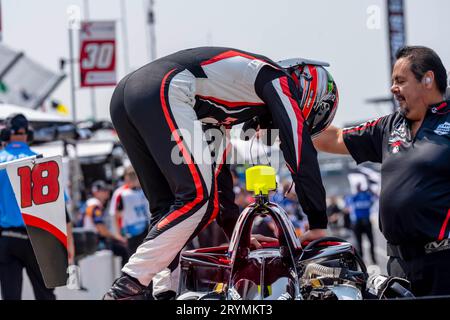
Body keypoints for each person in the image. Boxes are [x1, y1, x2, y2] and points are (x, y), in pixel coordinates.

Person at [104, 46, 339, 299]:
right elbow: (299, 148)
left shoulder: (223, 98)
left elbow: (220, 178)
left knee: (169, 207)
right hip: (163, 88)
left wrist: (238, 235)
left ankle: (164, 293)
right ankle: (126, 288)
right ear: (309, 93)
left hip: (127, 95)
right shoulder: (277, 78)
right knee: (196, 198)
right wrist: (317, 223)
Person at [313, 45, 450, 296]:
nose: (393, 88)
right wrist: (288, 124)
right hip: (398, 265)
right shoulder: (388, 126)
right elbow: (333, 139)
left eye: (400, 81)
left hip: (443, 265)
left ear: (428, 79)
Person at [0, 113, 74, 300]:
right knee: (45, 295)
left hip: (6, 238)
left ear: (6, 134)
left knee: (10, 296)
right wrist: (69, 247)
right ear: (29, 134)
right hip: (39, 239)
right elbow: (61, 210)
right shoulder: (42, 162)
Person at [80, 180, 129, 266]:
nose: (107, 192)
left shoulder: (90, 203)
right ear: (96, 192)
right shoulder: (94, 205)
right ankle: (126, 278)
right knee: (123, 250)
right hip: (93, 241)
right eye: (104, 190)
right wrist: (117, 238)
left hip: (89, 239)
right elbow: (101, 229)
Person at [110, 165, 151, 256]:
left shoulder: (143, 190)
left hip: (146, 228)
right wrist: (118, 234)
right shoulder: (121, 193)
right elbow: (115, 214)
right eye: (130, 177)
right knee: (135, 257)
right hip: (131, 231)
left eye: (134, 176)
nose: (132, 179)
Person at [348, 184, 377, 264]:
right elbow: (349, 205)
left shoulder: (365, 195)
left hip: (365, 221)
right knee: (359, 243)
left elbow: (374, 199)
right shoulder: (355, 196)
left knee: (370, 242)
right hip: (358, 222)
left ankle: (373, 259)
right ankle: (362, 260)